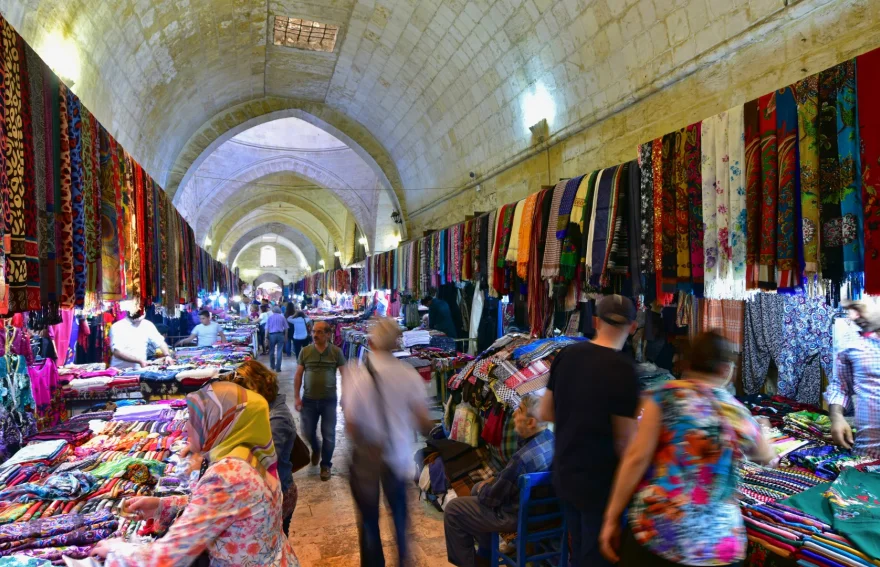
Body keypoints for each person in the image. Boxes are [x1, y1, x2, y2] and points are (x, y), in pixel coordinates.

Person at [598, 331, 776, 566]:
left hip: (659, 532)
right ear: (725, 369)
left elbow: (635, 458)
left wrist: (611, 518)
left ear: (690, 363)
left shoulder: (663, 397)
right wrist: (760, 428)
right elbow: (766, 457)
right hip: (717, 544)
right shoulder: (736, 411)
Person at [91, 382, 297, 565]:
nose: (188, 427)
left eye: (196, 419)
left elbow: (170, 556)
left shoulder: (227, 474)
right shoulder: (254, 453)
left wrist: (116, 551)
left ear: (221, 423)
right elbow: (227, 507)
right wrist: (162, 505)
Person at [538, 294, 639, 567]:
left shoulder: (567, 355)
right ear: (633, 327)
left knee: (579, 551)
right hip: (601, 486)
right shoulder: (624, 370)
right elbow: (625, 445)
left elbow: (545, 412)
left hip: (566, 473)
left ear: (595, 321)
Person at [344, 317, 432, 566]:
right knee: (400, 518)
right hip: (398, 456)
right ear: (397, 344)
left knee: (370, 520)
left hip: (368, 458)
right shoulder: (408, 374)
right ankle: (403, 560)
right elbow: (422, 420)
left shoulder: (357, 375)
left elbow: (351, 424)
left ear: (371, 342)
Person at [445, 394, 554, 567]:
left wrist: (483, 487)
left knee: (453, 510)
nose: (514, 415)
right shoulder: (551, 439)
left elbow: (491, 499)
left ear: (531, 422)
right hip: (543, 512)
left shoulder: (522, 458)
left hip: (520, 516)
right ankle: (486, 554)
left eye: (519, 411)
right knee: (477, 490)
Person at [233, 360, 299, 536]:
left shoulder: (276, 418)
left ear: (257, 386)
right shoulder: (260, 409)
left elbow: (263, 462)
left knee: (275, 542)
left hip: (279, 492)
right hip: (269, 490)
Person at [294, 321, 347, 481]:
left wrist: (346, 396)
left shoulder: (336, 352)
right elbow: (298, 375)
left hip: (329, 401)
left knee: (329, 435)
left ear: (328, 335)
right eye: (313, 332)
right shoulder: (305, 351)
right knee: (307, 431)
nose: (315, 335)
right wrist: (296, 396)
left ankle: (326, 465)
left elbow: (345, 375)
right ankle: (316, 449)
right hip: (308, 400)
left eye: (319, 332)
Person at [827, 300, 880, 458]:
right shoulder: (850, 343)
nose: (852, 316)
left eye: (857, 308)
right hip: (867, 454)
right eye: (848, 309)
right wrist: (836, 416)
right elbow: (840, 386)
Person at [110, 309, 175, 369]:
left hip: (140, 370)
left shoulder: (147, 324)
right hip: (120, 371)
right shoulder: (118, 326)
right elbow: (117, 352)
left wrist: (167, 355)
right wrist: (139, 360)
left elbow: (160, 342)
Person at [266, 306, 288, 373]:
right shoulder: (282, 317)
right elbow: (286, 328)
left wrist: (265, 338)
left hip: (272, 335)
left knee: (271, 351)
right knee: (279, 351)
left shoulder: (270, 317)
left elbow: (266, 328)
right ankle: (278, 368)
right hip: (280, 335)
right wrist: (286, 336)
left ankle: (272, 366)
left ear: (273, 311)